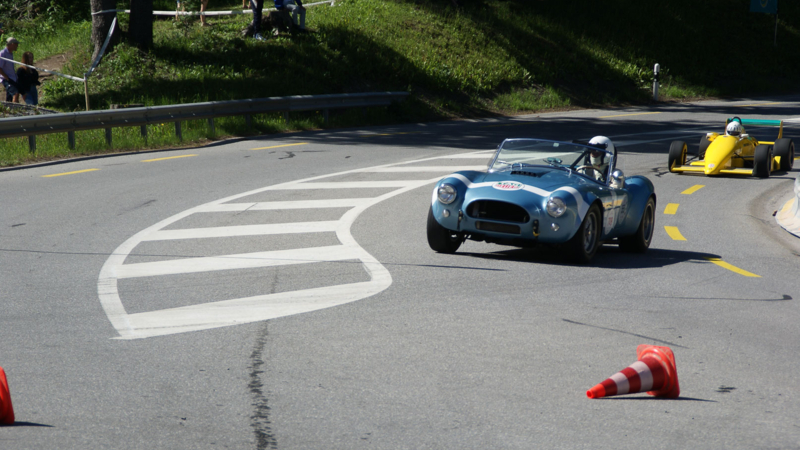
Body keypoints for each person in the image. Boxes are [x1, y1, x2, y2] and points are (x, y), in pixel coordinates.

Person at [0, 36, 19, 103]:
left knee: (10, 98)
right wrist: (7, 78)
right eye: (16, 44)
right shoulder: (3, 53)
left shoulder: (10, 54)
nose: (17, 46)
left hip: (12, 78)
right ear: (12, 44)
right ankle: (15, 110)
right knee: (15, 93)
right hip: (7, 79)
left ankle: (8, 110)